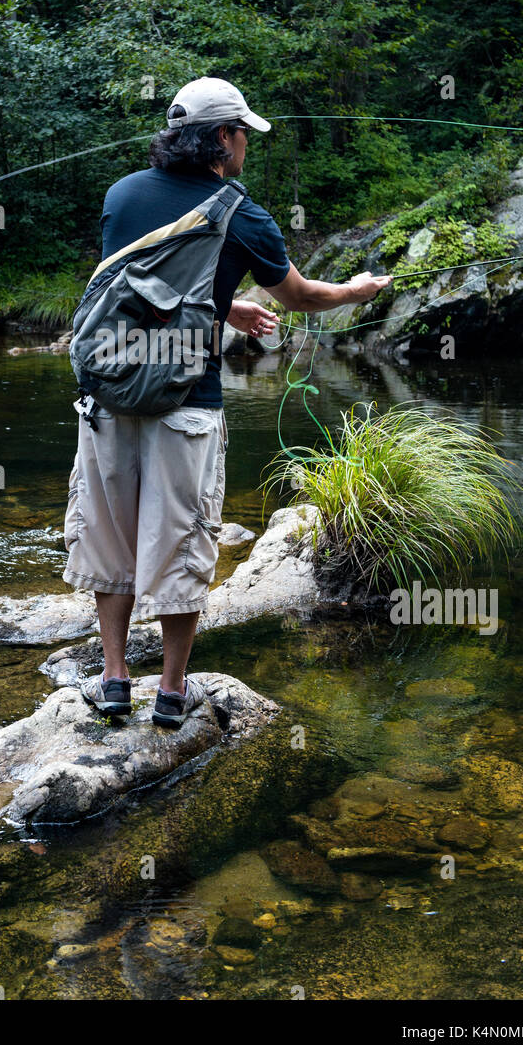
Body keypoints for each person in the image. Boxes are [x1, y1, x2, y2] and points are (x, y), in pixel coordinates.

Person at [63, 77, 392, 727]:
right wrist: (356, 290)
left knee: (109, 539)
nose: (247, 144)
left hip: (107, 394)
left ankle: (110, 678)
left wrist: (223, 305)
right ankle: (171, 690)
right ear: (221, 139)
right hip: (186, 402)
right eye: (243, 132)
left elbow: (139, 291)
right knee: (182, 543)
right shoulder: (241, 213)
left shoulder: (120, 193)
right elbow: (299, 297)